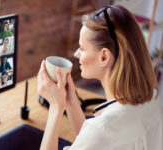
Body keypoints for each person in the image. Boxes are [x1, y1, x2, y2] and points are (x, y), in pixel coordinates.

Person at [38, 5, 162, 150]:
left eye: (82, 48)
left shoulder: (101, 130)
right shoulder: (152, 101)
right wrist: (71, 102)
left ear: (104, 56)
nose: (77, 54)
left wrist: (55, 107)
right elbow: (95, 143)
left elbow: (98, 137)